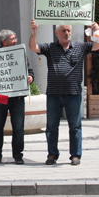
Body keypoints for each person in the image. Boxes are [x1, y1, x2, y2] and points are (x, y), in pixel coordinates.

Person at [29, 20, 99, 165]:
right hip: (54, 94)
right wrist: (34, 33)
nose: (67, 33)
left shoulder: (80, 46)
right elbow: (33, 47)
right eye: (63, 31)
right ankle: (52, 154)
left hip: (73, 94)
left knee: (75, 126)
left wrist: (96, 31)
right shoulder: (50, 47)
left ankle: (75, 155)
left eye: (68, 31)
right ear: (57, 33)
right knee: (52, 127)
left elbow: (97, 45)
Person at [0, 29, 34, 165]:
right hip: (1, 96)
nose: (15, 40)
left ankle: (18, 155)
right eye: (12, 38)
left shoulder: (20, 53)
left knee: (18, 128)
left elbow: (29, 70)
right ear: (4, 41)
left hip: (17, 96)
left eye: (15, 38)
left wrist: (30, 76)